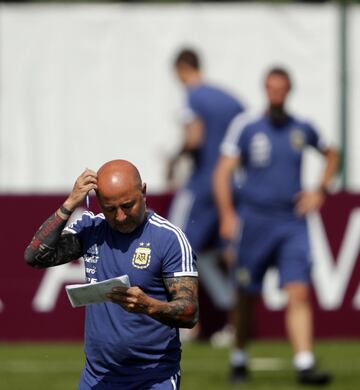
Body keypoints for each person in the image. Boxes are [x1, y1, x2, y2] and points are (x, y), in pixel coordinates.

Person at [24, 159, 199, 390]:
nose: (120, 216)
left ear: (143, 192)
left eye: (128, 206)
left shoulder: (169, 239)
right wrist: (70, 203)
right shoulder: (91, 229)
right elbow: (35, 256)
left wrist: (149, 306)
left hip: (153, 378)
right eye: (110, 209)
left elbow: (190, 312)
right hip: (97, 377)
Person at [213, 67, 339, 385]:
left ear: (289, 91)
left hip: (291, 222)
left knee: (298, 291)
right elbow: (222, 172)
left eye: (281, 88)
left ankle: (305, 363)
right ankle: (239, 357)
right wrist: (227, 214)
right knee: (246, 294)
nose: (276, 93)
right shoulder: (247, 127)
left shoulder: (303, 127)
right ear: (264, 91)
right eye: (271, 88)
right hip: (254, 222)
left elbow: (332, 154)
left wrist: (319, 190)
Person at [167, 48, 245, 341]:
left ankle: (186, 323)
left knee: (177, 247)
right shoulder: (231, 99)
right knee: (218, 256)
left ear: (182, 69)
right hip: (231, 188)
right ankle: (236, 327)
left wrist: (175, 158)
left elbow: (194, 136)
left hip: (203, 185)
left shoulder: (193, 96)